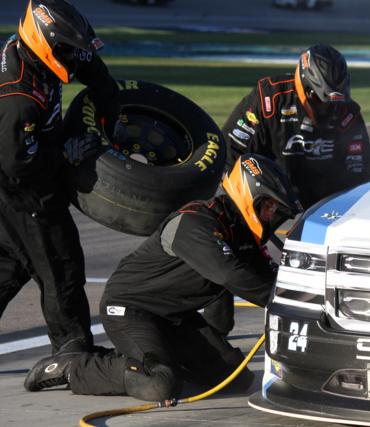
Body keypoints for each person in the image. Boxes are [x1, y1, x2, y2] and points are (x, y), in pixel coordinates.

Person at [24, 154, 304, 401]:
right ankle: (72, 365)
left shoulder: (243, 235)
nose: (271, 214)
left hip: (175, 317)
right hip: (129, 309)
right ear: (247, 194)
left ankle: (143, 359)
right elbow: (229, 275)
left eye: (275, 209)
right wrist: (284, 302)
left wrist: (309, 299)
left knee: (234, 377)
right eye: (268, 205)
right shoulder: (197, 222)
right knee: (161, 384)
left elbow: (273, 280)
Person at [0, 0, 122, 354]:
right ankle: (74, 355)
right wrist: (66, 155)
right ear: (44, 43)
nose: (73, 57)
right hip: (21, 188)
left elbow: (96, 72)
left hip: (19, 173)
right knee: (61, 267)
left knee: (13, 266)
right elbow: (19, 162)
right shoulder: (17, 96)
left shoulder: (44, 52)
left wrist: (113, 120)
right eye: (67, 50)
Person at [222, 43, 370, 210]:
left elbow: (358, 171)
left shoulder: (349, 114)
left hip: (324, 204)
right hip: (269, 200)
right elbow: (230, 152)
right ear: (305, 86)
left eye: (332, 101)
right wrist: (255, 200)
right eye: (319, 98)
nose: (325, 106)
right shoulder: (268, 99)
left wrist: (334, 209)